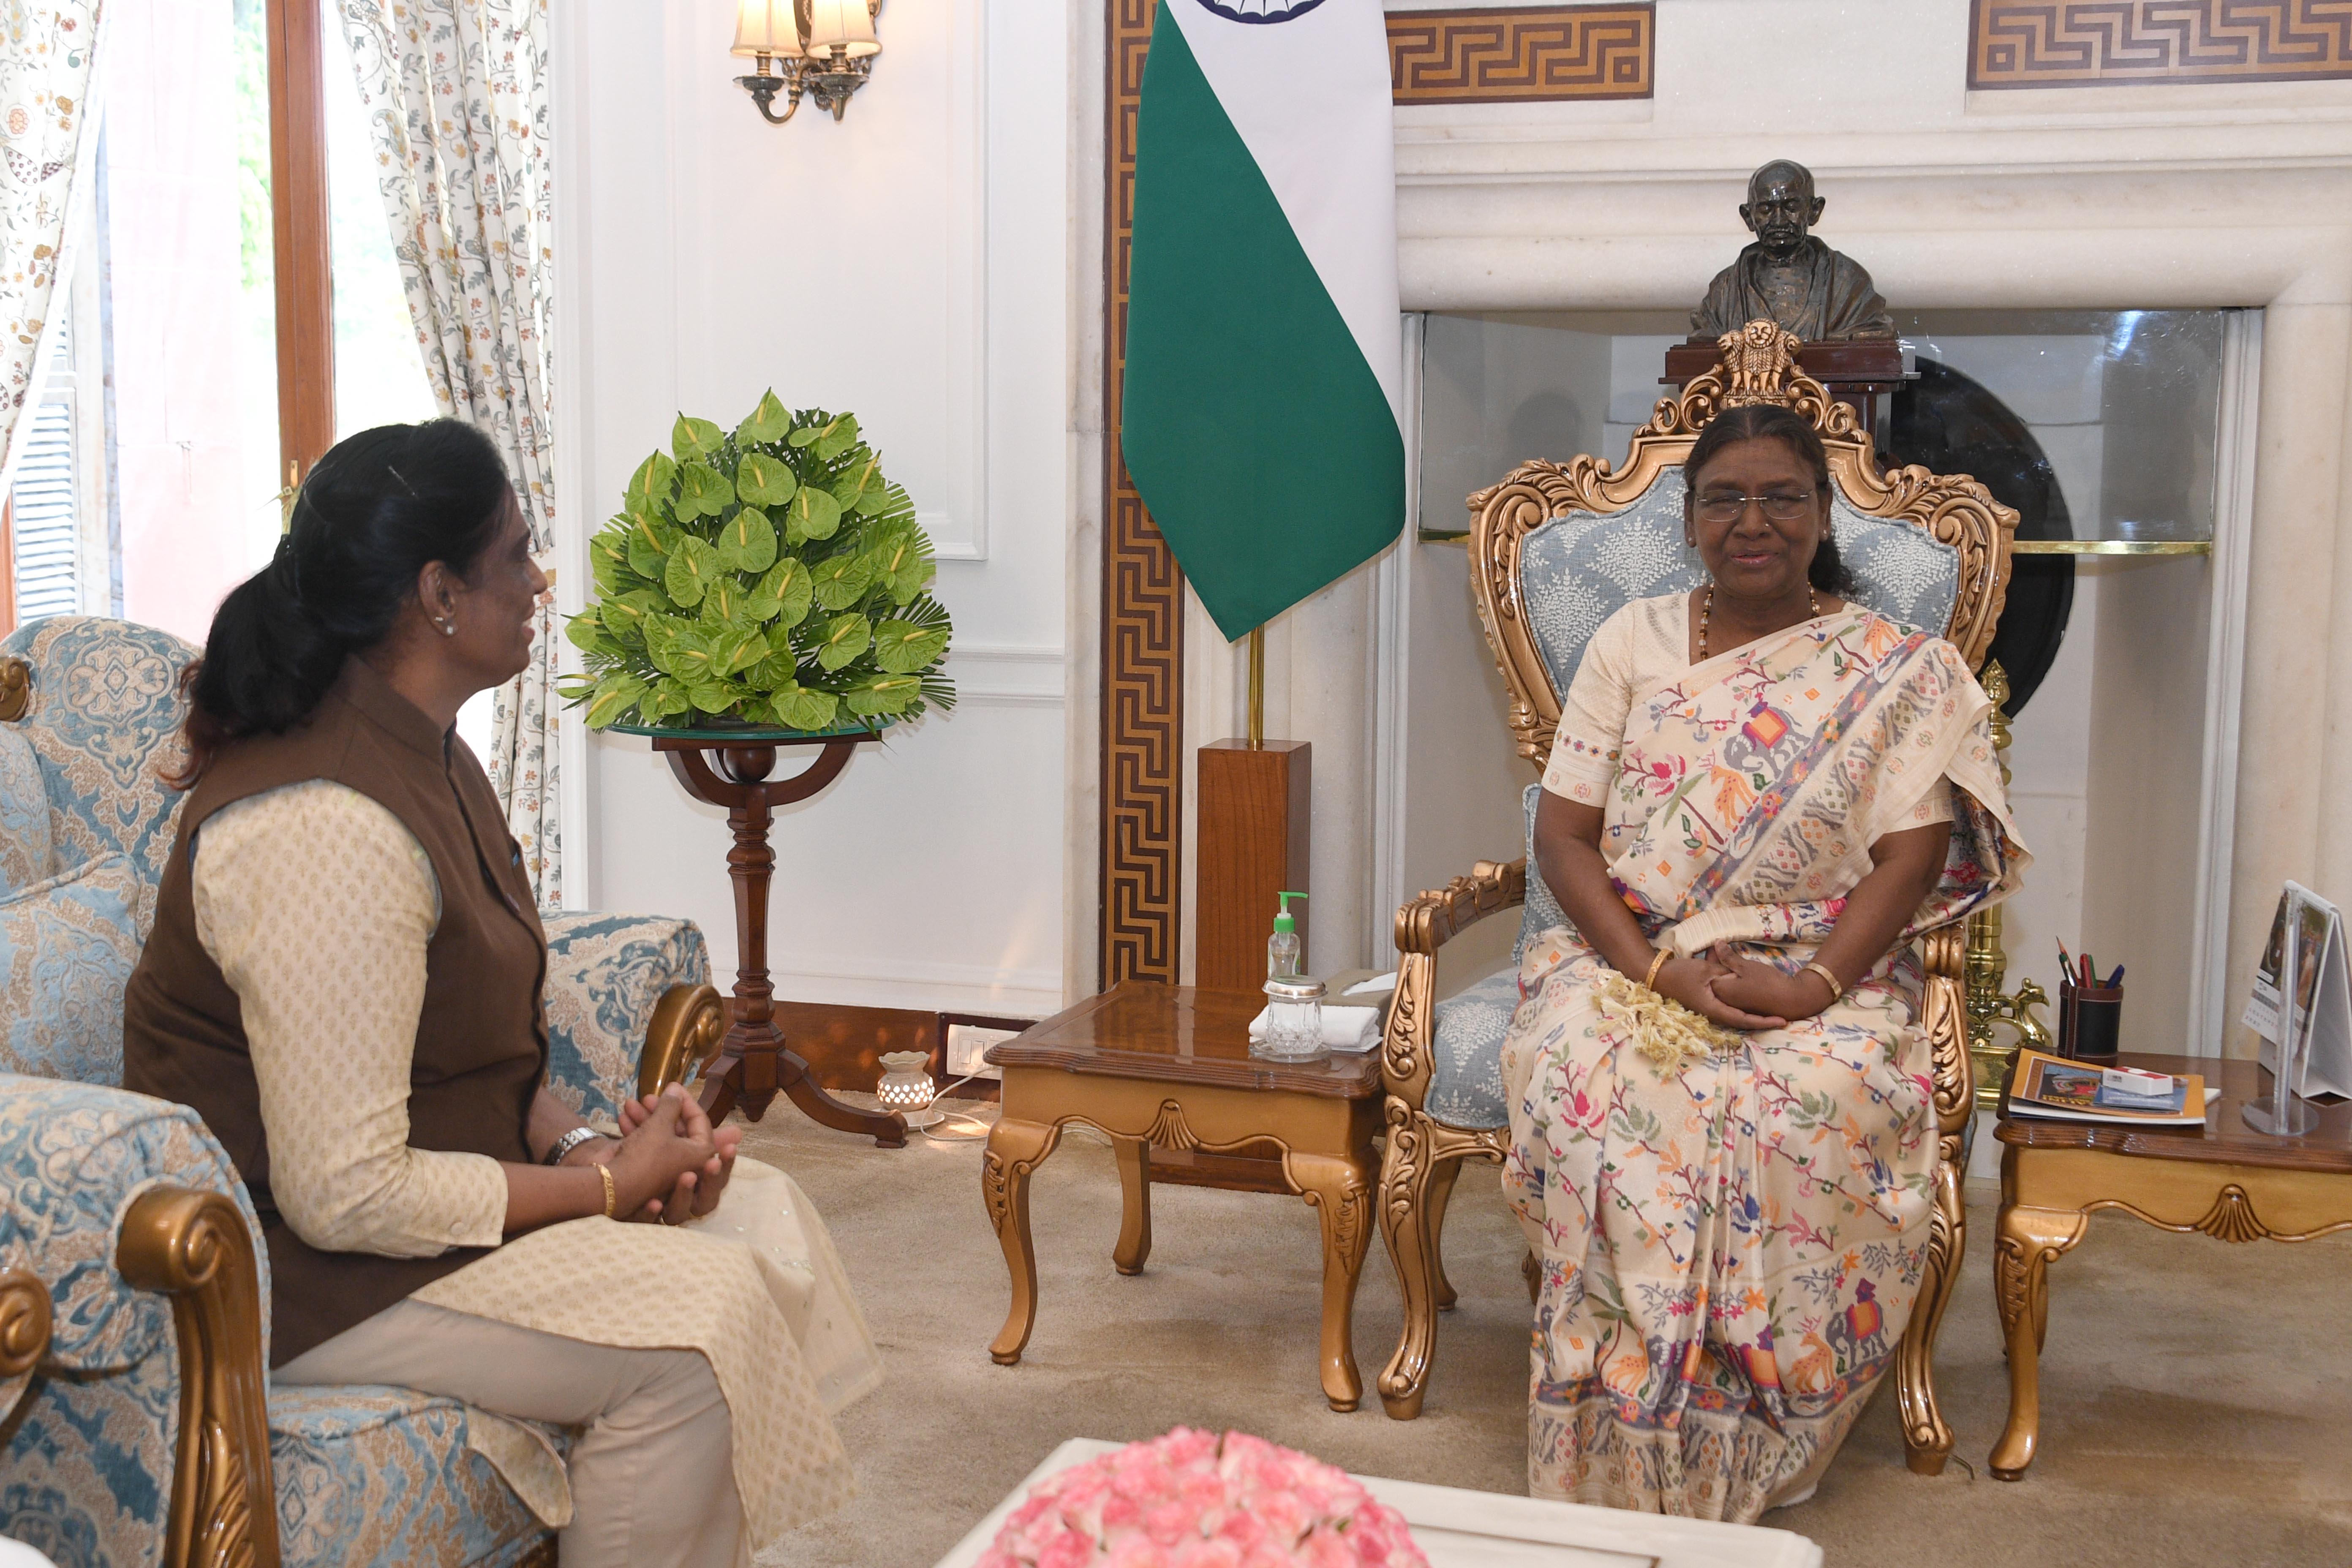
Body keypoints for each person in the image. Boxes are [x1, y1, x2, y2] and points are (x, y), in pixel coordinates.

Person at [121, 420, 880, 1568]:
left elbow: (463, 1051)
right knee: (694, 1342)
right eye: (517, 554)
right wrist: (604, 1190)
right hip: (297, 1283)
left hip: (397, 1229)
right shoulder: (321, 826)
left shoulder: (425, 749)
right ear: (438, 593)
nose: (538, 582)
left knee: (763, 1211)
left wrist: (591, 1144)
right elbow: (342, 1198)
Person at [1502, 404, 2027, 1522]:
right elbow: (1564, 837)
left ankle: (1760, 1429)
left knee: (1806, 1101)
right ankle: (1622, 1417)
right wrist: (1654, 973)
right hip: (1631, 959)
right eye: (1726, 499)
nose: (1754, 521)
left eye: (1782, 496)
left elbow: (1913, 853)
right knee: (1603, 1086)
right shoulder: (1631, 642)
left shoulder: (1891, 667)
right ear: (1690, 520)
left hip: (1827, 963)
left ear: (1823, 515)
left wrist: (1813, 985)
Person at [1691, 160, 1895, 341]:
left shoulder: (1849, 284)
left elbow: (1871, 340)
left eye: (1791, 207)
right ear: (1748, 217)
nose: (1779, 221)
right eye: (1766, 209)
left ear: (1815, 211)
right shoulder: (1723, 292)